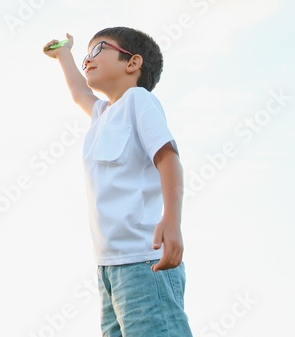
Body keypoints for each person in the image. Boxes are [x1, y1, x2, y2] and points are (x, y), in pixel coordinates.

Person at [43, 27, 193, 337]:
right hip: (108, 267)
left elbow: (168, 159)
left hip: (143, 260)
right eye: (86, 55)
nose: (88, 60)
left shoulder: (139, 101)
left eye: (98, 50)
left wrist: (171, 220)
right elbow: (79, 93)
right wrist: (65, 55)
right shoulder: (101, 115)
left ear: (132, 62)